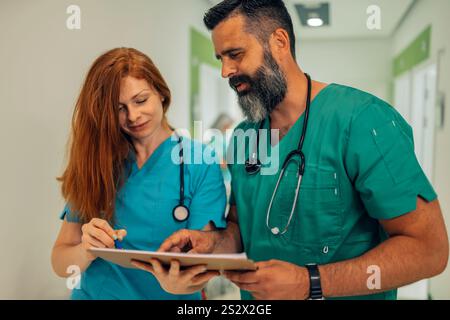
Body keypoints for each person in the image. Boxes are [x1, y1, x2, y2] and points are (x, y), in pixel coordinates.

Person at [158, 0, 449, 300]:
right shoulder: (245, 136)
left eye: (235, 54)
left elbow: (429, 250)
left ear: (279, 42)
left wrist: (309, 282)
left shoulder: (363, 121)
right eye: (220, 58)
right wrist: (210, 245)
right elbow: (241, 228)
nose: (225, 71)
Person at [51, 47, 226, 300]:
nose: (133, 116)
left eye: (141, 100)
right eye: (119, 108)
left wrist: (180, 285)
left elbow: (202, 265)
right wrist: (87, 250)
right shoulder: (97, 161)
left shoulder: (201, 163)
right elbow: (60, 262)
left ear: (161, 94)